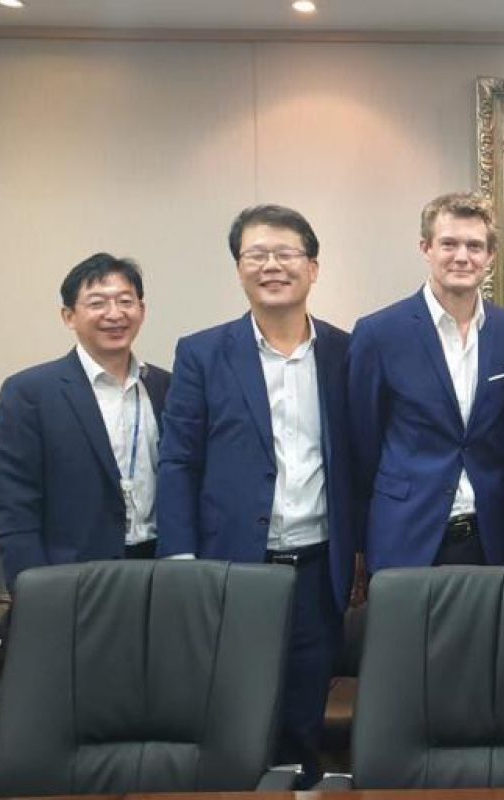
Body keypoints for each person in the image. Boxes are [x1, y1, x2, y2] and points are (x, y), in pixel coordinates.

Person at [157, 204, 356, 778]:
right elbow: (178, 461)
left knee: (303, 719)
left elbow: (361, 459)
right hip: (231, 570)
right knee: (232, 720)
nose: (272, 265)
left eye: (286, 253)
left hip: (318, 569)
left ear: (312, 268)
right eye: (256, 255)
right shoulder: (201, 352)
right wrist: (182, 558)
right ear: (239, 269)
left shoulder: (346, 352)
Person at [348, 192, 504, 568]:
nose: (462, 256)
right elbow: (361, 444)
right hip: (403, 535)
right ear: (426, 248)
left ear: (490, 257)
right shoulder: (379, 333)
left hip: (488, 538)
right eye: (449, 244)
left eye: (475, 246)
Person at [0, 253, 169, 589]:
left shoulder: (166, 387)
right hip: (74, 578)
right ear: (69, 316)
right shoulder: (30, 393)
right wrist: (34, 592)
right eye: (97, 303)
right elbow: (14, 508)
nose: (114, 314)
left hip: (160, 572)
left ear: (141, 311)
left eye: (125, 301)